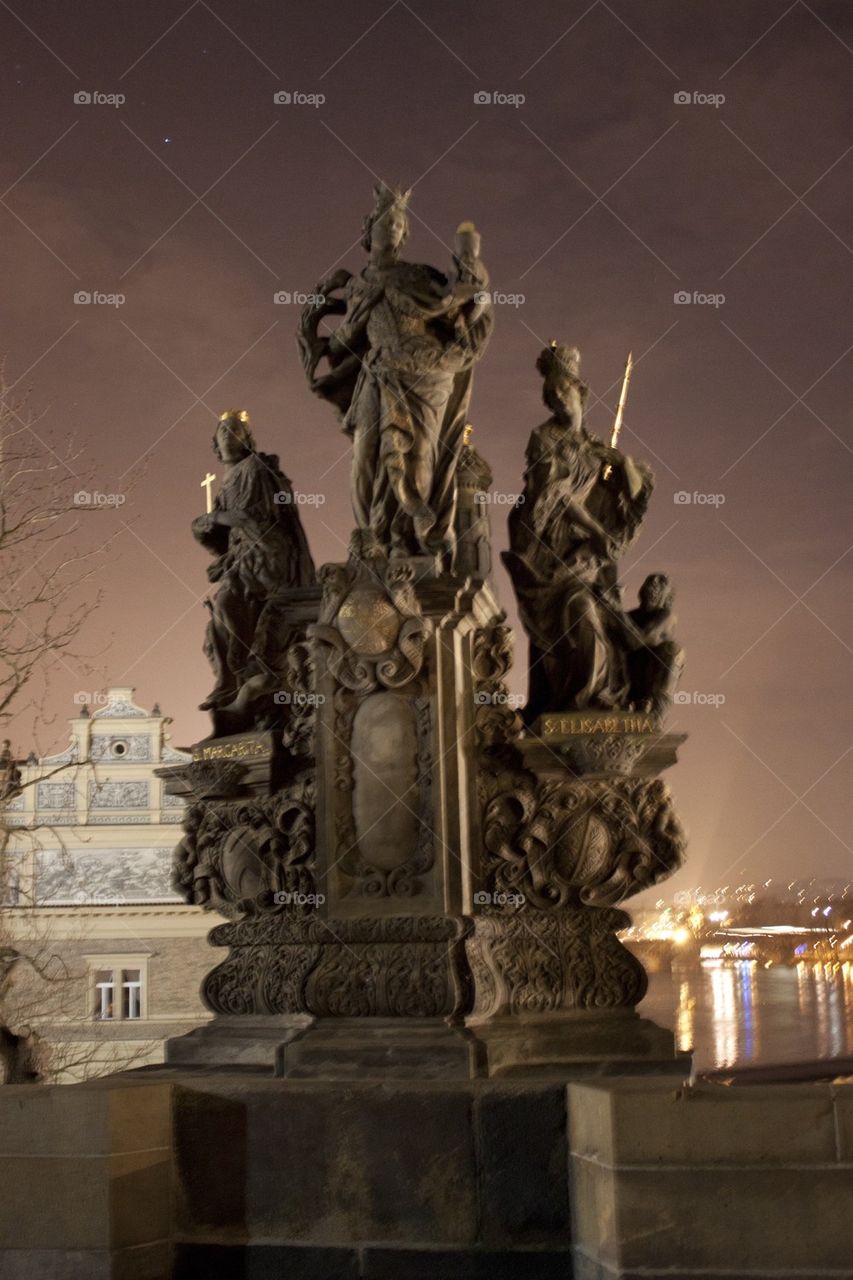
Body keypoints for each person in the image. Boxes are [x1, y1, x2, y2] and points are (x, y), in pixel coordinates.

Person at [298, 184, 493, 563]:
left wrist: (470, 259)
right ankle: (372, 538)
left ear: (404, 235)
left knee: (418, 454)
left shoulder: (417, 276)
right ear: (368, 232)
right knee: (365, 458)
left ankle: (410, 539)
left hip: (425, 372)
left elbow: (463, 296)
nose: (391, 230)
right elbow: (340, 345)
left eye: (399, 225)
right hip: (379, 374)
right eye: (384, 223)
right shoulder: (358, 287)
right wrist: (319, 321)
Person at [192, 411, 315, 734]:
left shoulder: (255, 470)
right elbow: (224, 535)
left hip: (268, 556)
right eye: (223, 434)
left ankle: (237, 678)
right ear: (216, 445)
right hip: (243, 560)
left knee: (229, 606)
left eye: (234, 433)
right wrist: (204, 527)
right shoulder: (227, 481)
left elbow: (253, 519)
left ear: (246, 440)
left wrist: (216, 519)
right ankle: (231, 682)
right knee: (224, 612)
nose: (228, 438)